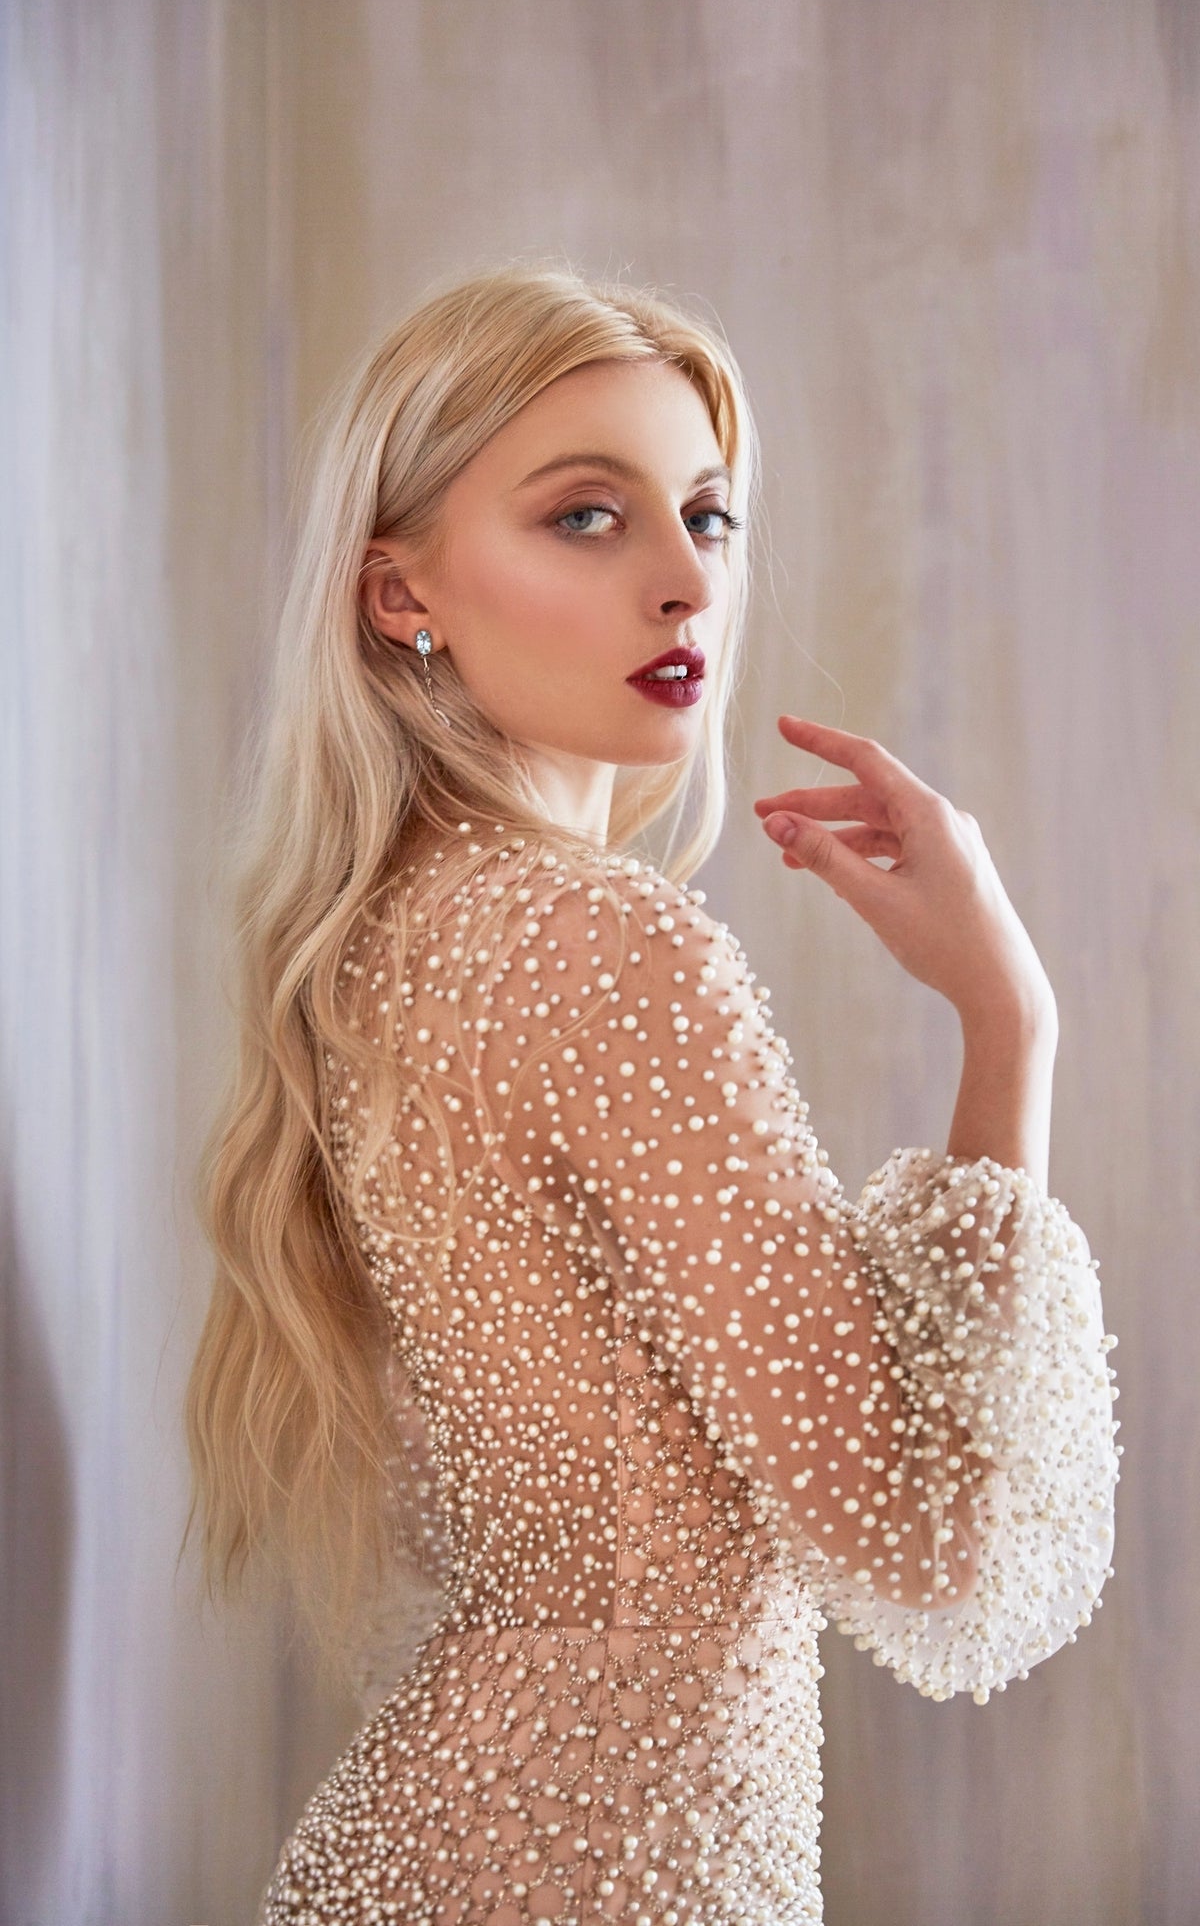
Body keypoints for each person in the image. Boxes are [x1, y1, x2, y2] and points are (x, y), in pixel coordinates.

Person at [182, 261, 1120, 1925]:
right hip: (588, 1866)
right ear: (402, 594)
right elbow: (936, 1551)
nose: (687, 581)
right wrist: (1010, 1020)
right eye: (588, 519)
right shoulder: (608, 948)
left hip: (457, 1842)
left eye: (707, 514)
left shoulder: (384, 940)